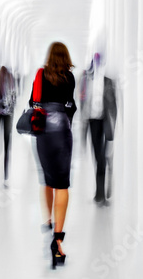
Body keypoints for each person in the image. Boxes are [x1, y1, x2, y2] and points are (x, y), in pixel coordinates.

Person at [29, 42, 76, 269]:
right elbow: (71, 107)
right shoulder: (69, 78)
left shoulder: (41, 74)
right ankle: (57, 242)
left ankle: (48, 220)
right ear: (65, 57)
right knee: (62, 185)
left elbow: (32, 102)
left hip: (43, 132)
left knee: (46, 178)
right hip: (62, 131)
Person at [79, 53, 117, 206]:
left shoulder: (109, 81)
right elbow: (82, 100)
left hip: (105, 122)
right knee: (98, 157)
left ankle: (103, 193)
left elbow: (114, 105)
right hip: (92, 122)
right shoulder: (86, 80)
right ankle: (99, 193)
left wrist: (114, 124)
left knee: (105, 157)